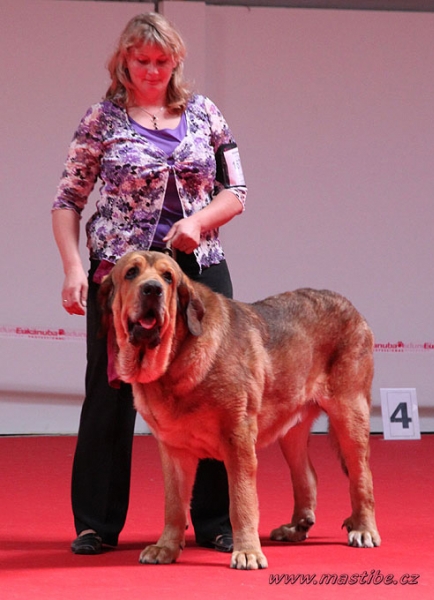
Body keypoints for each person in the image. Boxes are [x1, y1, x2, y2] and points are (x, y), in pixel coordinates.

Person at [51, 12, 247, 555]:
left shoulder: (205, 113)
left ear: (176, 61)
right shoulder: (101, 120)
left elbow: (239, 191)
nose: (152, 71)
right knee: (112, 391)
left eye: (162, 62)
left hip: (198, 271)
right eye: (142, 61)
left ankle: (214, 521)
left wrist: (199, 222)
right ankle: (96, 522)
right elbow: (67, 202)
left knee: (213, 391)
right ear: (124, 62)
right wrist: (73, 268)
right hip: (124, 272)